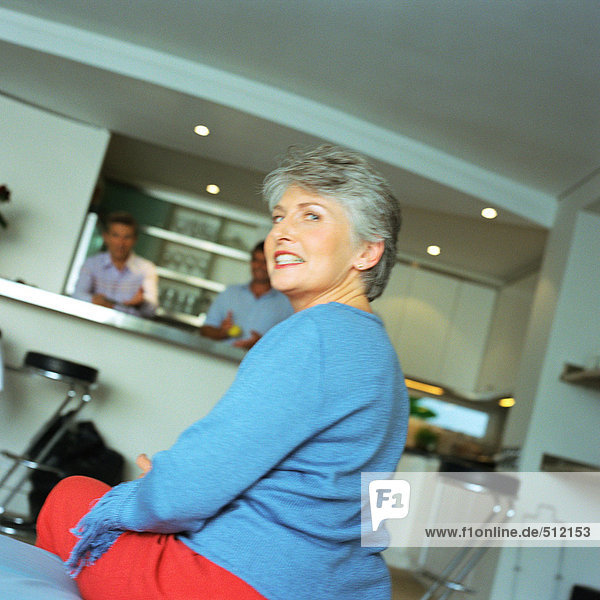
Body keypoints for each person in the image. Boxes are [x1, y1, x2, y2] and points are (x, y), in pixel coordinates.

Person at [36, 144, 409, 600]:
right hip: (330, 583)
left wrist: (160, 487)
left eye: (311, 216)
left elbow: (182, 495)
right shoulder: (376, 350)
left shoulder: (316, 333)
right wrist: (185, 479)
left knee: (70, 496)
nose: (282, 234)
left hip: (237, 582)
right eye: (278, 217)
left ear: (367, 252)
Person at [199, 241, 293, 349]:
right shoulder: (230, 293)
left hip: (258, 365)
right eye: (255, 260)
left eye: (265, 261)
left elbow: (291, 347)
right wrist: (221, 333)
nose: (259, 266)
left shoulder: (287, 304)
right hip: (218, 361)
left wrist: (261, 345)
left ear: (276, 264)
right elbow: (205, 330)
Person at [72, 211, 158, 318]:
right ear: (105, 237)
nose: (120, 243)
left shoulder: (147, 268)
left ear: (134, 240)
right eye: (116, 236)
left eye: (127, 237)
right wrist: (93, 300)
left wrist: (142, 302)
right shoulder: (92, 263)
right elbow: (77, 295)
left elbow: (151, 311)